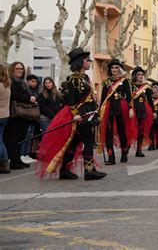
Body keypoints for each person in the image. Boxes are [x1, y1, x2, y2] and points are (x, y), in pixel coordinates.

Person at [37, 48, 106, 180]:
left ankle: (64, 170)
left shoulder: (85, 77)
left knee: (74, 143)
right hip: (80, 115)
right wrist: (76, 114)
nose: (90, 61)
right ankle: (89, 171)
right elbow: (70, 99)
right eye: (87, 60)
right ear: (80, 62)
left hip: (87, 113)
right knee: (88, 140)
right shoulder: (73, 79)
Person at [99, 59, 136, 164]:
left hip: (122, 108)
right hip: (109, 108)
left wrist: (130, 109)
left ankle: (124, 152)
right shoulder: (107, 82)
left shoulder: (125, 81)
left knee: (122, 131)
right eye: (112, 68)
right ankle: (111, 157)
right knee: (109, 132)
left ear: (120, 69)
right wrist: (100, 112)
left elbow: (129, 97)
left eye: (116, 68)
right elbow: (103, 98)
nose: (114, 70)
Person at [3, 62, 36, 170]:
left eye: (21, 69)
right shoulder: (11, 81)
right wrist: (28, 98)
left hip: (24, 114)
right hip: (15, 114)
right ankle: (14, 161)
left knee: (20, 138)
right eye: (17, 68)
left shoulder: (23, 82)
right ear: (12, 69)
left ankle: (17, 159)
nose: (20, 70)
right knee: (14, 139)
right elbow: (13, 95)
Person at [131, 66, 155, 157]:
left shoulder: (147, 87)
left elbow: (150, 100)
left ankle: (139, 150)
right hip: (133, 108)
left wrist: (154, 111)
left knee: (141, 130)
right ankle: (126, 148)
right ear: (135, 76)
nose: (140, 76)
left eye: (142, 74)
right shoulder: (130, 85)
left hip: (143, 109)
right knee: (131, 129)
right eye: (138, 74)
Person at [0, 63, 11, 173]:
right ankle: (5, 164)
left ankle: (4, 163)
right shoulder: (6, 85)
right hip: (5, 115)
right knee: (1, 140)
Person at [148, 79, 158, 151]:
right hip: (150, 116)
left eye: (156, 87)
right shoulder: (148, 97)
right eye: (153, 87)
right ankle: (151, 144)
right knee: (151, 131)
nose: (154, 89)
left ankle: (157, 143)